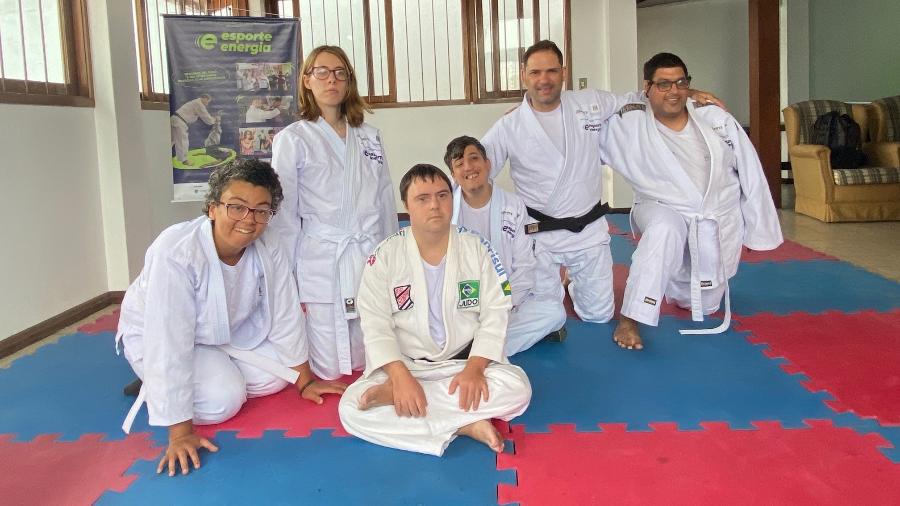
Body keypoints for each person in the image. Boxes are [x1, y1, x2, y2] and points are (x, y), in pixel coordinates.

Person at [115, 159, 347, 476]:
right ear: (212, 208)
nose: (248, 220)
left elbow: (285, 312)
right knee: (224, 399)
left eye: (261, 210)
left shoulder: (269, 244)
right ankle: (156, 382)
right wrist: (180, 433)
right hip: (157, 337)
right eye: (237, 207)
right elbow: (169, 340)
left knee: (280, 376)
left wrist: (304, 381)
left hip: (227, 334)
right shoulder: (176, 252)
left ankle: (203, 375)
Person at [481, 40, 721, 329]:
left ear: (564, 72)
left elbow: (638, 100)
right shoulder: (510, 125)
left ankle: (571, 282)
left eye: (551, 71)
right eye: (535, 72)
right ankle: (555, 284)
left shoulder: (590, 103)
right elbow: (477, 172)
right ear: (523, 75)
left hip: (588, 231)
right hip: (538, 236)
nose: (543, 80)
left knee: (599, 316)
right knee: (544, 317)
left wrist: (686, 93)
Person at [338, 165, 532, 456]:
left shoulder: (477, 247)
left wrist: (475, 368)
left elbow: (496, 311)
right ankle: (464, 425)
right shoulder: (385, 255)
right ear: (406, 205)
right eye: (423, 198)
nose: (435, 205)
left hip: (464, 364)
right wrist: (400, 377)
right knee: (351, 409)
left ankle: (422, 411)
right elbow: (375, 323)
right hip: (406, 364)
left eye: (442, 195)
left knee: (519, 389)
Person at [599, 52, 783, 350]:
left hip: (713, 217)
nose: (674, 91)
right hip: (659, 207)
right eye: (664, 84)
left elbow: (751, 172)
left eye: (681, 83)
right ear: (647, 88)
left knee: (702, 303)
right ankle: (631, 318)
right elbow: (578, 119)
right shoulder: (627, 121)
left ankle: (674, 288)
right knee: (664, 229)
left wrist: (756, 229)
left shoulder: (714, 118)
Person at [270, 45, 398, 380]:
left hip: (368, 251)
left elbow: (385, 200)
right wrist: (289, 275)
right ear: (307, 81)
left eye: (340, 72)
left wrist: (392, 256)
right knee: (327, 366)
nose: (332, 80)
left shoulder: (370, 137)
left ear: (349, 82)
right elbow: (285, 215)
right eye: (322, 72)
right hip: (323, 258)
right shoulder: (292, 139)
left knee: (376, 353)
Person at [444, 136, 566, 356]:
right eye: (459, 164)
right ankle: (485, 345)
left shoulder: (513, 205)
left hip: (505, 296)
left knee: (554, 312)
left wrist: (503, 305)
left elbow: (524, 265)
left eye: (474, 159)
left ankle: (471, 350)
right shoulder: (446, 210)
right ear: (453, 175)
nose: (469, 167)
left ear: (487, 163)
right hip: (463, 301)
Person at [171, 94, 217, 165]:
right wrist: (214, 119)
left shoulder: (194, 102)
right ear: (204, 98)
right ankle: (184, 160)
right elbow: (207, 119)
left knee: (171, 140)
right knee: (183, 141)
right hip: (180, 122)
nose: (207, 104)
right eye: (207, 101)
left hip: (175, 119)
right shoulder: (199, 104)